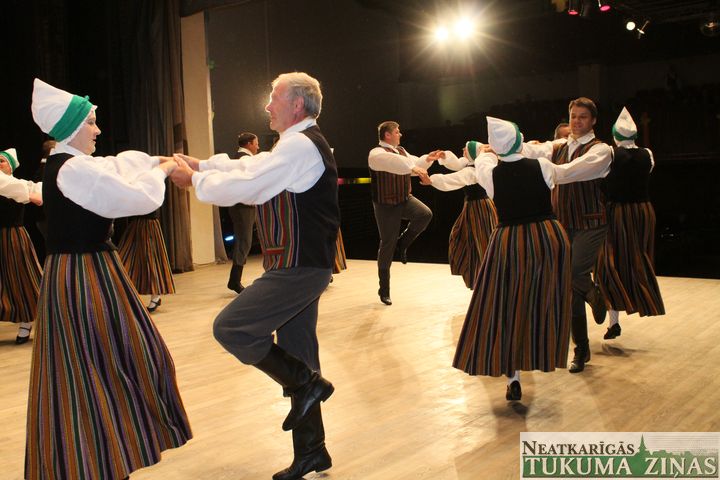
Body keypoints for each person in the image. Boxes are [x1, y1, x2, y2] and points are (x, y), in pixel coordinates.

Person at [171, 72, 339, 480]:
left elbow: (251, 183)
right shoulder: (295, 143)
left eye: (274, 98)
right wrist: (203, 165)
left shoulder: (300, 145)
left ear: (296, 104)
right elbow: (252, 165)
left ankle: (306, 384)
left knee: (232, 327)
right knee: (299, 351)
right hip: (300, 265)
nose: (267, 106)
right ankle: (312, 451)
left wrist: (195, 179)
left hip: (298, 267)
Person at [26, 78, 191, 479]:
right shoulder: (72, 170)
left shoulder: (72, 164)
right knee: (100, 365)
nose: (98, 130)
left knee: (108, 361)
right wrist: (165, 169)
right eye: (91, 123)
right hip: (83, 276)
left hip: (88, 271)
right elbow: (137, 198)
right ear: (70, 128)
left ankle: (107, 452)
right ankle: (95, 456)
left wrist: (156, 159)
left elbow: (116, 164)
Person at [428, 117, 608, 400]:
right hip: (547, 238)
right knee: (542, 303)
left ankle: (513, 376)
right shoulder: (542, 166)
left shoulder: (488, 171)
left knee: (505, 306)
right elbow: (569, 172)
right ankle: (556, 335)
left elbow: (482, 161)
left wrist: (487, 152)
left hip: (510, 241)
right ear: (519, 140)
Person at [521, 97, 613, 373]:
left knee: (573, 274)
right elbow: (531, 150)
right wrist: (506, 147)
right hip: (562, 223)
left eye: (582, 117)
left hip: (591, 222)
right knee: (569, 287)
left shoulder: (601, 150)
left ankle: (594, 293)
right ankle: (581, 349)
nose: (576, 121)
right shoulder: (559, 146)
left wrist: (542, 167)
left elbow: (570, 172)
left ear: (593, 120)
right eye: (573, 116)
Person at [594, 107, 665, 339]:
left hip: (618, 212)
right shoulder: (647, 154)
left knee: (609, 263)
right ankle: (638, 302)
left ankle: (613, 318)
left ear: (615, 135)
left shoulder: (612, 155)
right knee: (637, 261)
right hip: (643, 211)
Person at [368, 121, 443, 305]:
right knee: (387, 243)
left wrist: (427, 159)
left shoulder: (401, 151)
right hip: (386, 204)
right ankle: (384, 289)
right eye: (397, 132)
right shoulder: (376, 153)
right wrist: (412, 167)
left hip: (404, 199)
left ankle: (402, 244)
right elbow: (394, 163)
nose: (400, 134)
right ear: (387, 135)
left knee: (425, 214)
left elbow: (414, 163)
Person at [422, 141, 497, 289]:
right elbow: (458, 163)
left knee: (482, 243)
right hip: (473, 207)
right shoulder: (472, 164)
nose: (463, 149)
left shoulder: (473, 170)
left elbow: (455, 179)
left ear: (472, 153)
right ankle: (481, 278)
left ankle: (488, 279)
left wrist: (431, 180)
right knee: (469, 240)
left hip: (479, 208)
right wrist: (445, 156)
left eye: (466, 148)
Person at [0, 148, 43, 344]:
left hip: (12, 236)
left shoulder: (19, 184)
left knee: (22, 279)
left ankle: (27, 322)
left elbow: (38, 196)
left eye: (2, 161)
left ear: (11, 165)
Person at [117, 207, 176, 312]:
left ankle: (155, 296)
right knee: (124, 259)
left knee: (150, 261)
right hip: (136, 225)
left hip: (148, 225)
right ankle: (126, 297)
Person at [226, 131, 259, 293]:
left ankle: (235, 279)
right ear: (249, 144)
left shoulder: (239, 158)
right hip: (243, 205)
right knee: (244, 241)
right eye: (256, 143)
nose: (258, 147)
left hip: (243, 204)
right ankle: (234, 280)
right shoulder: (243, 159)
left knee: (245, 240)